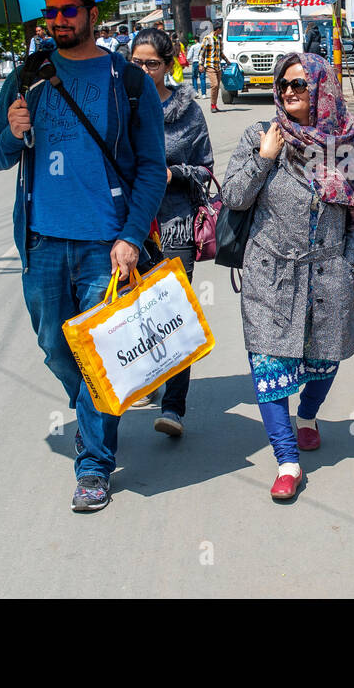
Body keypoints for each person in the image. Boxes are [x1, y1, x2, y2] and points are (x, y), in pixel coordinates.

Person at [0, 0, 166, 513]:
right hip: (41, 243)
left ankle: (93, 465)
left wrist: (132, 235)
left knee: (100, 356)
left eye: (68, 11)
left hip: (104, 247)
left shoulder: (126, 81)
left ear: (90, 12)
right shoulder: (27, 80)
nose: (57, 20)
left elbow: (153, 169)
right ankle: (93, 404)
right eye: (51, 12)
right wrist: (12, 133)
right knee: (54, 347)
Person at [221, 52, 354, 500]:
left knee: (326, 359)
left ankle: (308, 414)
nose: (288, 91)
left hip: (327, 273)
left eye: (299, 84)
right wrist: (264, 159)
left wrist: (350, 262)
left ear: (321, 88)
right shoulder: (260, 136)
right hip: (269, 273)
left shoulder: (348, 146)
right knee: (269, 364)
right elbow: (233, 196)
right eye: (283, 83)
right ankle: (287, 459)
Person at [127, 28, 213, 435]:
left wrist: (172, 173)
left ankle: (174, 406)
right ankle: (150, 377)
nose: (143, 70)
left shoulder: (187, 112)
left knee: (175, 316)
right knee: (136, 315)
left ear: (168, 65)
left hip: (174, 227)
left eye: (152, 64)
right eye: (136, 62)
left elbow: (206, 169)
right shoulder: (117, 105)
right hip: (127, 230)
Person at [205, 31, 224, 113]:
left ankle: (214, 105)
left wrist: (227, 60)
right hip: (210, 66)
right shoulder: (208, 38)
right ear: (218, 29)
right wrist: (200, 64)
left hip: (218, 66)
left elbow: (220, 53)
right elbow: (202, 51)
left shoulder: (219, 38)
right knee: (214, 84)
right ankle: (212, 105)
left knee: (217, 87)